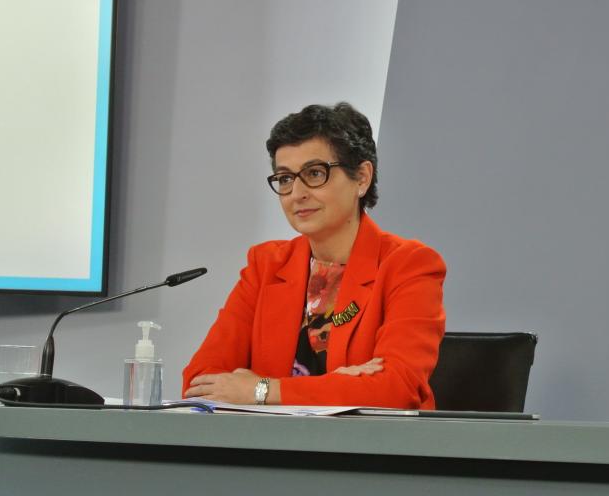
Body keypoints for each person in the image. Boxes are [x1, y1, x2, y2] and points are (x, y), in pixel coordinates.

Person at [182, 103, 446, 408]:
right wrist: (344, 387)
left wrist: (264, 390)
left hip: (372, 451)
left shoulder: (409, 265)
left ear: (361, 178)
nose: (297, 193)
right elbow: (199, 383)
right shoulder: (266, 265)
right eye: (285, 179)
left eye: (315, 173)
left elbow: (396, 389)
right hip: (276, 450)